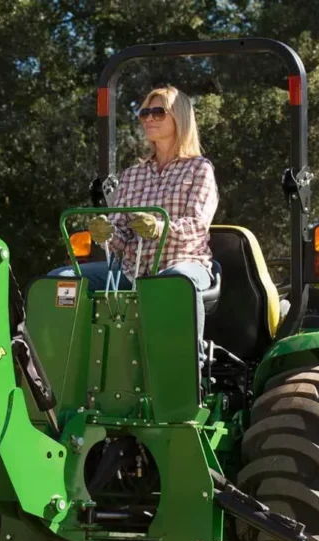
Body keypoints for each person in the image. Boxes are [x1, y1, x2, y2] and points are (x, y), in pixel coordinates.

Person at [51, 84, 219, 359]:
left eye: (157, 112)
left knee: (173, 284)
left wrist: (160, 228)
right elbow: (120, 237)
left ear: (180, 117)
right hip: (131, 271)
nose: (148, 118)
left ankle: (188, 369)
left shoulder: (199, 168)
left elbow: (197, 226)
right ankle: (64, 366)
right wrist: (105, 232)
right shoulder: (133, 175)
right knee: (61, 282)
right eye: (144, 113)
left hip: (183, 264)